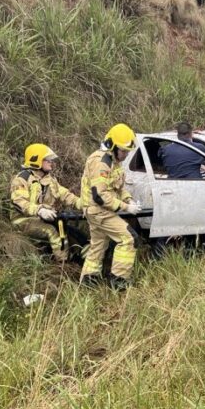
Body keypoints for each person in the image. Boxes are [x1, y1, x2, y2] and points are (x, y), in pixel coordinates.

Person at [79, 124, 143, 289]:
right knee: (129, 238)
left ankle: (88, 282)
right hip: (99, 211)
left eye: (127, 151)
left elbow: (118, 189)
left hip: (99, 210)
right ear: (112, 146)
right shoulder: (101, 162)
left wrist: (129, 200)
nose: (126, 154)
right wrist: (125, 208)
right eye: (123, 151)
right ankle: (119, 281)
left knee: (98, 245)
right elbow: (100, 196)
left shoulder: (115, 162)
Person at [10, 143, 80, 262]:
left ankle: (73, 257)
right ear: (36, 160)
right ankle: (63, 265)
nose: (51, 162)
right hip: (22, 220)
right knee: (52, 231)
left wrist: (84, 204)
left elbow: (66, 195)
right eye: (47, 160)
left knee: (69, 230)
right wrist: (39, 210)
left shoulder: (50, 180)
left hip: (42, 219)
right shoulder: (22, 178)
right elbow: (19, 202)